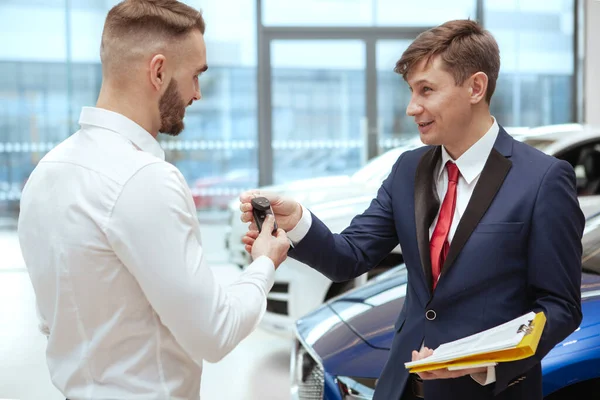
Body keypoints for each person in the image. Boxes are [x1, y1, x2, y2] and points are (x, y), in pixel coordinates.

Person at [240, 19, 584, 400]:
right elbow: (349, 256)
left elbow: (561, 307)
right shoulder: (409, 169)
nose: (411, 107)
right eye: (410, 91)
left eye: (426, 90)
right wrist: (298, 222)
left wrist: (490, 364)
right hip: (401, 389)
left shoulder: (543, 179)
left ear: (476, 87)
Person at [17, 1, 290, 399]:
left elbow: (52, 320)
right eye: (195, 75)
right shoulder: (145, 178)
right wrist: (265, 261)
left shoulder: (46, 173)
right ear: (158, 70)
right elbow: (215, 333)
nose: (197, 94)